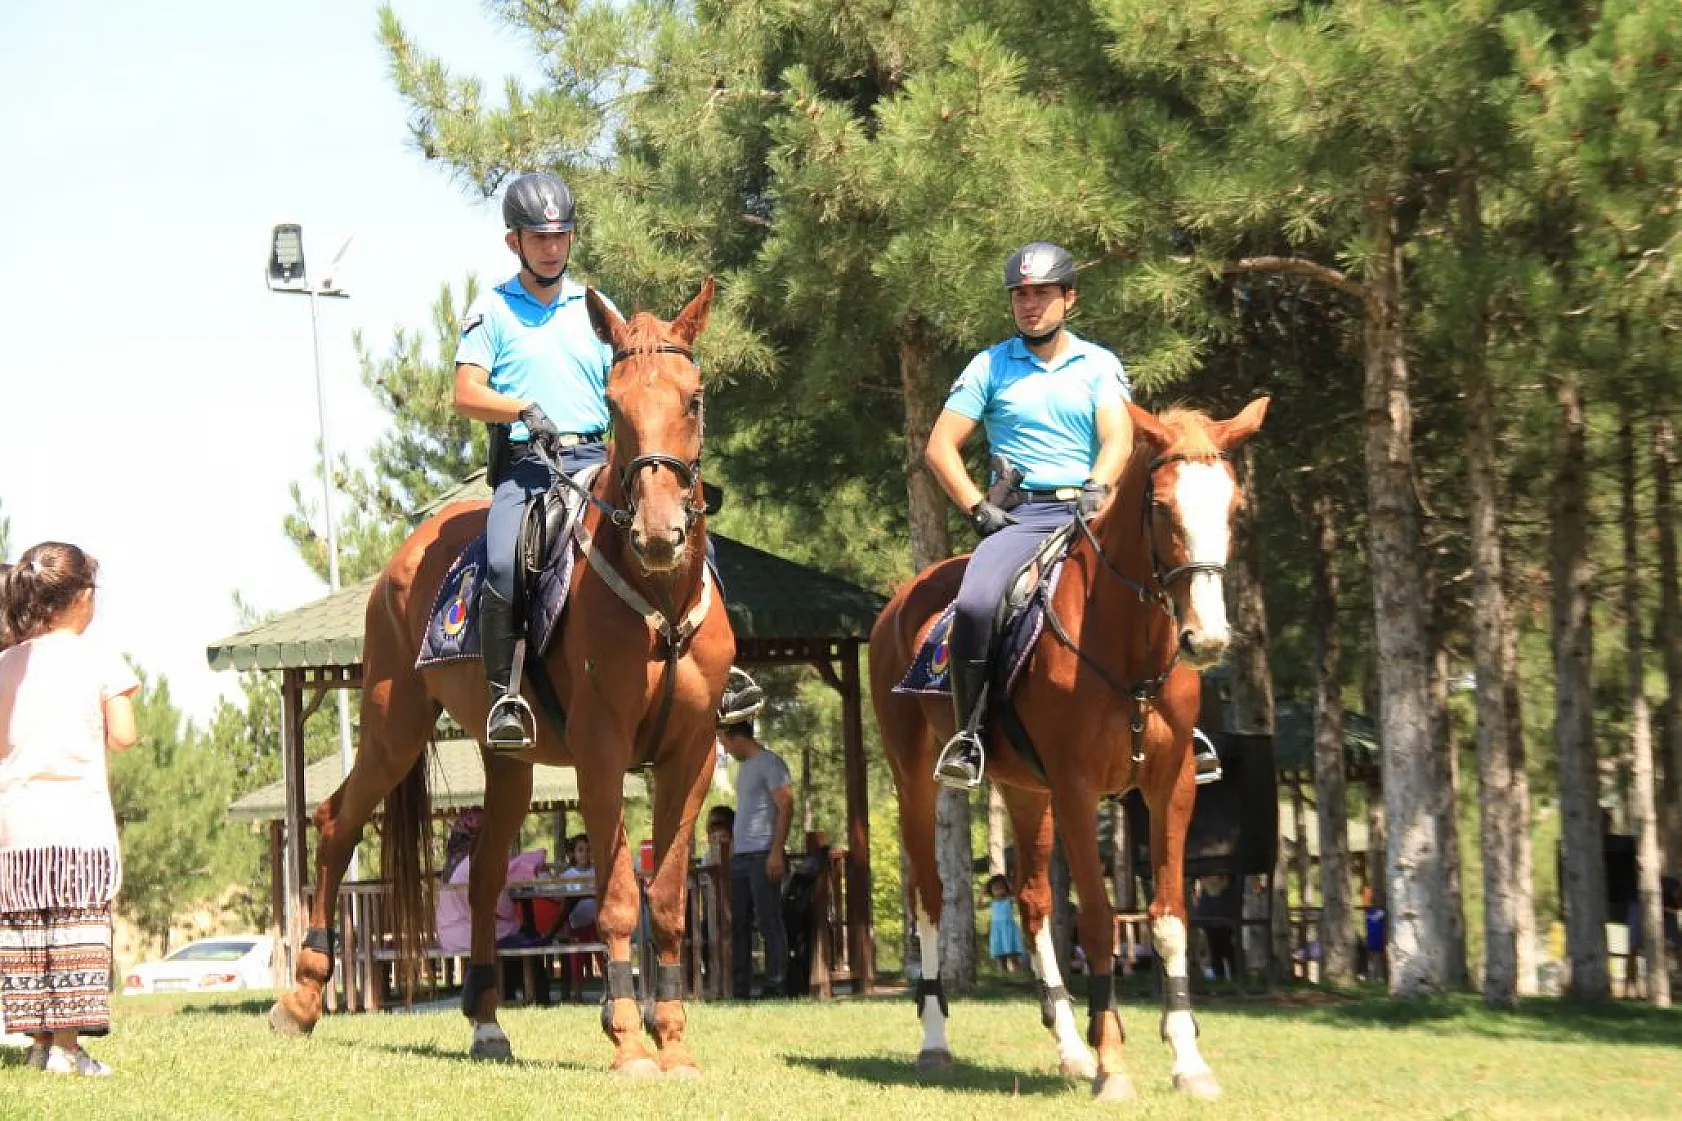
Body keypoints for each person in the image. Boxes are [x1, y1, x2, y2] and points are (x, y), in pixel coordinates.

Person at [923, 241, 1134, 789]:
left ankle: (1186, 730)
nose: (1030, 304)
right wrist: (977, 509)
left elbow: (1118, 436)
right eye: (1020, 295)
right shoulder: (988, 366)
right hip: (1024, 517)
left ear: (1070, 298)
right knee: (975, 604)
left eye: (1042, 293)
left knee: (1164, 587)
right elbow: (940, 447)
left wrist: (1100, 485)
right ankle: (969, 736)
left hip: (1096, 510)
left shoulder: (1099, 365)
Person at [453, 169, 617, 751]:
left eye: (561, 236)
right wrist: (521, 408)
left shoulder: (595, 306)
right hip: (531, 465)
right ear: (513, 242)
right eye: (539, 237)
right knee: (501, 562)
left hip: (600, 456)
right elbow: (465, 393)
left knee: (681, 527)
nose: (552, 247)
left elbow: (623, 380)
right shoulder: (491, 309)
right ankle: (504, 694)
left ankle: (722, 675)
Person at [0, 542, 139, 1076]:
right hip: (77, 826)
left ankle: (37, 1046)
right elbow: (124, 736)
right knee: (75, 932)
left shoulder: (8, 662)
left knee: (28, 934)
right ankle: (68, 1047)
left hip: (16, 829)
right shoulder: (100, 657)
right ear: (83, 598)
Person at [717, 669, 793, 998]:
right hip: (742, 856)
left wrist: (777, 851)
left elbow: (786, 806)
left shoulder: (770, 764)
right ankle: (741, 987)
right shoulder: (745, 769)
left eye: (724, 742)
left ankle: (777, 983)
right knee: (740, 925)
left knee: (768, 921)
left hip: (764, 853)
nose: (724, 749)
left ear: (737, 737)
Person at [984, 874, 1025, 973]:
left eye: (1001, 888)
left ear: (1005, 888)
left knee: (1012, 953)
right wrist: (983, 893)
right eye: (995, 888)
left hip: (1007, 928)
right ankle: (1003, 973)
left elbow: (1017, 898)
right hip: (997, 929)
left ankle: (1017, 971)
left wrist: (1012, 888)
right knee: (1000, 955)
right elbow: (979, 906)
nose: (998, 890)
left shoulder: (1009, 900)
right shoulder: (992, 902)